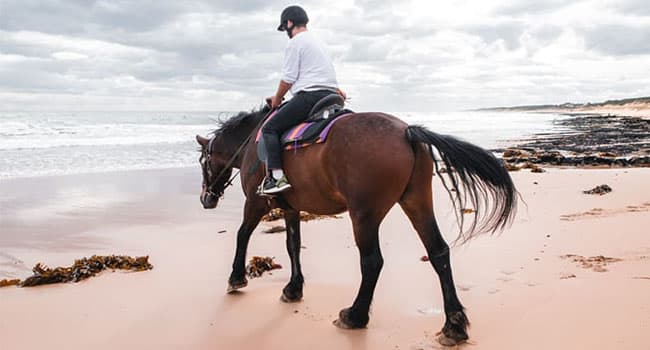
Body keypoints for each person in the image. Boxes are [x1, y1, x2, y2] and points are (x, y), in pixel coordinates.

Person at [261, 5, 344, 195]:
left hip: (310, 97)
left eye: (284, 29)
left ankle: (276, 178)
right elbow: (323, 72)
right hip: (331, 95)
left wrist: (277, 98)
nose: (286, 33)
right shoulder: (319, 43)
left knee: (269, 128)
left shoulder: (295, 42)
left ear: (289, 23)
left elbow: (288, 78)